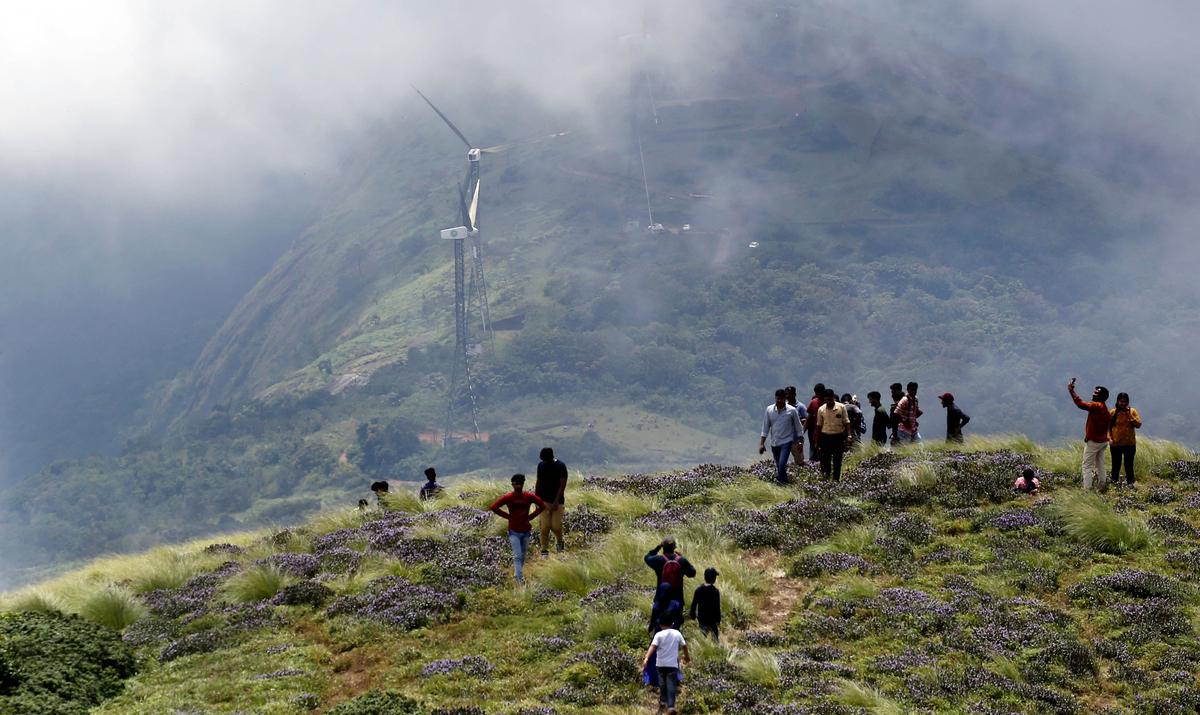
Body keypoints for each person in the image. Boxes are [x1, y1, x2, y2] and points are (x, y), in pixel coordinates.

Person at [488, 474, 546, 585]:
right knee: (517, 555)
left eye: (520, 483)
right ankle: (519, 579)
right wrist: (508, 516)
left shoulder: (529, 496)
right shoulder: (508, 497)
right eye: (516, 484)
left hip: (526, 530)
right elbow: (493, 507)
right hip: (513, 531)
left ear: (523, 484)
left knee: (523, 554)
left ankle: (517, 574)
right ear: (513, 484)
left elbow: (542, 506)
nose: (518, 486)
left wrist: (531, 516)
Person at [1068, 377, 1111, 491]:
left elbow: (1081, 404)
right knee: (1100, 464)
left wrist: (1072, 391)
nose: (1093, 394)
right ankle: (1102, 485)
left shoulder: (1096, 406)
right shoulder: (1105, 410)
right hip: (1103, 441)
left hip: (1094, 441)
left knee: (1086, 466)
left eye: (1096, 393)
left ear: (1101, 396)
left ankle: (1087, 489)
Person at [642, 620, 689, 715]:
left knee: (662, 683)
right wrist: (687, 656)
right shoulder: (677, 633)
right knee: (671, 684)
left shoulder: (658, 635)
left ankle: (663, 702)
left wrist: (647, 657)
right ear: (672, 623)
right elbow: (684, 646)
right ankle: (671, 706)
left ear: (660, 624)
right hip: (672, 664)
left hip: (661, 664)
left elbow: (653, 647)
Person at [759, 388, 805, 484]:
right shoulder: (769, 410)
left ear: (785, 399)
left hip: (787, 442)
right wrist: (762, 443)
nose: (779, 401)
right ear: (775, 398)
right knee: (779, 466)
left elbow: (798, 427)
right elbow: (765, 427)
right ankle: (785, 484)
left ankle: (782, 484)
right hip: (774, 443)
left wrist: (801, 441)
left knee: (782, 464)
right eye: (778, 399)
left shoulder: (792, 410)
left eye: (781, 399)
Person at [535, 447, 569, 556]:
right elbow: (538, 481)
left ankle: (560, 541)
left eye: (545, 459)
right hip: (543, 501)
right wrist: (536, 499)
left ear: (551, 457)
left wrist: (556, 501)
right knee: (544, 527)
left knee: (556, 526)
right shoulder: (540, 465)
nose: (544, 461)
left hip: (557, 502)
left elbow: (562, 485)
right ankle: (544, 550)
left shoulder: (561, 466)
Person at [644, 537, 697, 607]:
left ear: (663, 547)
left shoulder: (658, 560)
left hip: (661, 599)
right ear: (674, 547)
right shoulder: (682, 560)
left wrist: (658, 547)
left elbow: (647, 557)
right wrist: (683, 558)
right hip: (677, 600)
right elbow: (692, 573)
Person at [815, 389, 853, 479]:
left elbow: (847, 422)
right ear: (824, 399)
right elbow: (819, 426)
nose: (828, 402)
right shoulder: (821, 409)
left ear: (833, 398)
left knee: (837, 460)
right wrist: (816, 441)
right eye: (826, 400)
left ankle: (836, 479)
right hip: (825, 437)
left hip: (838, 437)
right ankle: (827, 477)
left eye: (830, 400)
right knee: (826, 460)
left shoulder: (841, 407)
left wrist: (849, 435)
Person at [1109, 392, 1142, 487]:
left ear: (1128, 402)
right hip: (1116, 444)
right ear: (1117, 401)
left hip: (1130, 444)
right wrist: (1109, 438)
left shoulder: (1132, 411)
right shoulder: (1113, 412)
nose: (1123, 403)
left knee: (1129, 465)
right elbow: (1108, 427)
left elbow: (1138, 424)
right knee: (1115, 465)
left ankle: (1130, 484)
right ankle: (1114, 484)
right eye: (1121, 401)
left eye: (1125, 401)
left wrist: (1130, 416)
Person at [689, 567, 722, 640]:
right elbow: (717, 607)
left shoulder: (698, 590)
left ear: (705, 577)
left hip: (702, 618)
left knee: (703, 637)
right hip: (712, 619)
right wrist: (718, 620)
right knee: (715, 638)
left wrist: (692, 615)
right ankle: (715, 650)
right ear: (714, 579)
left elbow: (694, 604)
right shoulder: (715, 591)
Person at [784, 386, 807, 464]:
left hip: (796, 440)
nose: (788, 396)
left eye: (790, 394)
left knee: (799, 461)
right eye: (786, 394)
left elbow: (805, 422)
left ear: (795, 394)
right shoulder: (783, 407)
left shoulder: (801, 407)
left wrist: (801, 435)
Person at [807, 383, 826, 461]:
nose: (817, 395)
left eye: (818, 393)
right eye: (816, 393)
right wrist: (802, 431)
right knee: (813, 450)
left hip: (825, 432)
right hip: (814, 432)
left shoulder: (828, 402)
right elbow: (809, 418)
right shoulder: (813, 402)